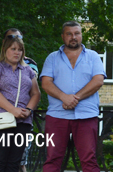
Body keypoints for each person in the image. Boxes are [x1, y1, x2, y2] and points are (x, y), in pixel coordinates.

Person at [41, 22, 105, 172]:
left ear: (81, 35)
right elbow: (45, 83)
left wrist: (74, 98)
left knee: (89, 160)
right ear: (63, 36)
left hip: (86, 115)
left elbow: (98, 81)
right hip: (57, 115)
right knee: (52, 160)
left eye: (77, 33)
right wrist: (64, 97)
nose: (73, 37)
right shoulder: (52, 58)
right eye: (69, 34)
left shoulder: (93, 56)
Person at [0, 29, 39, 172]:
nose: (17, 52)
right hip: (0, 118)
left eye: (20, 49)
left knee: (14, 164)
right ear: (5, 49)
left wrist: (29, 110)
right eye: (13, 49)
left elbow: (36, 93)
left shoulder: (28, 70)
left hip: (23, 121)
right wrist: (13, 110)